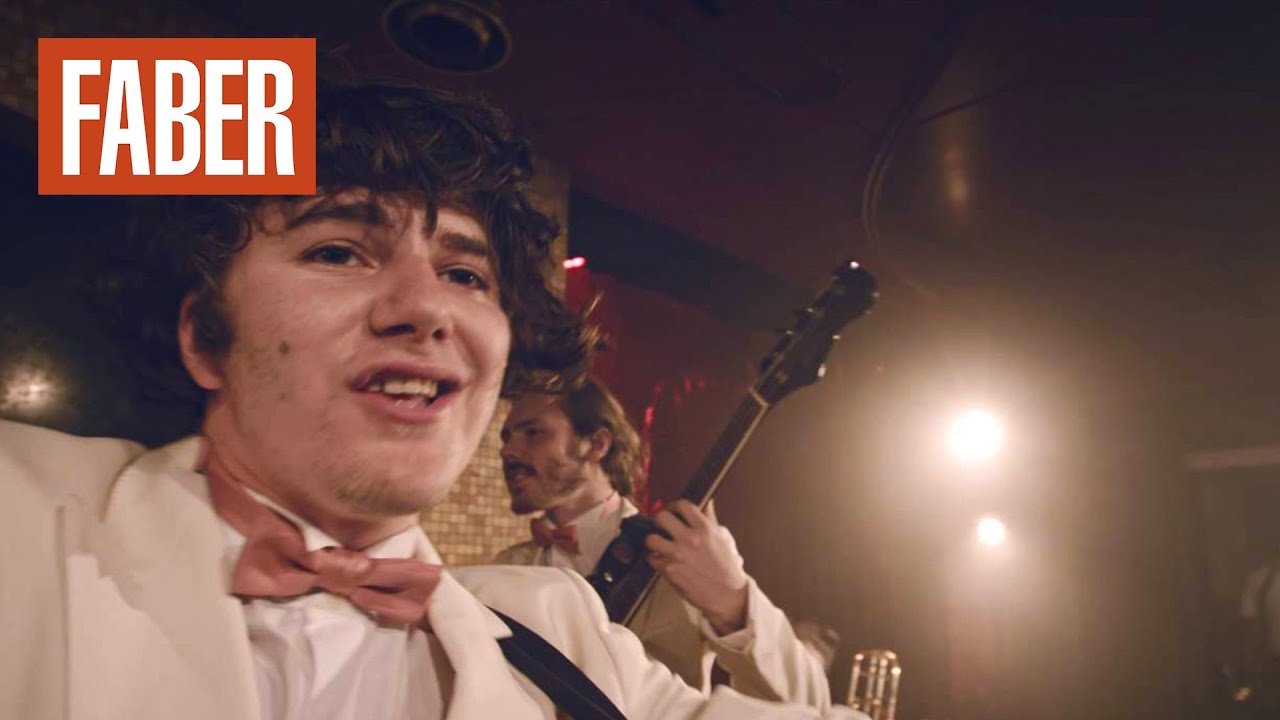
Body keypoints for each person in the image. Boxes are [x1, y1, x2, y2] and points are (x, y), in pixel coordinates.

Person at [0, 75, 863, 719]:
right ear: (203, 337)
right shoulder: (23, 513)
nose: (427, 307)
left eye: (465, 274)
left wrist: (737, 606)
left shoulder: (556, 633)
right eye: (338, 251)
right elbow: (94, 103)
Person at [496, 378, 833, 710]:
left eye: (533, 433)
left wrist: (735, 600)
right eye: (507, 437)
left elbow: (809, 705)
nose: (507, 451)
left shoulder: (681, 553)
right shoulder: (507, 567)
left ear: (596, 444)